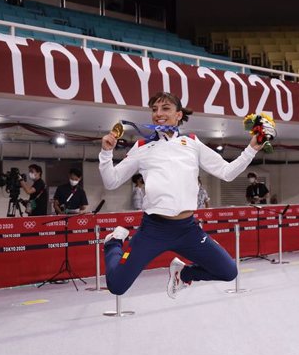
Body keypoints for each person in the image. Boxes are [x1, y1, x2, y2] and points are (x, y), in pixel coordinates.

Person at [98, 91, 267, 298]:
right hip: (153, 230)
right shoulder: (142, 147)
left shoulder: (193, 143)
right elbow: (111, 181)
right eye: (154, 109)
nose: (158, 113)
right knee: (117, 285)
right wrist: (106, 153)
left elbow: (227, 173)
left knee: (228, 271)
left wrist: (252, 149)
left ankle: (184, 273)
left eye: (165, 108)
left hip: (188, 230)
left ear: (179, 115)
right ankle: (113, 242)